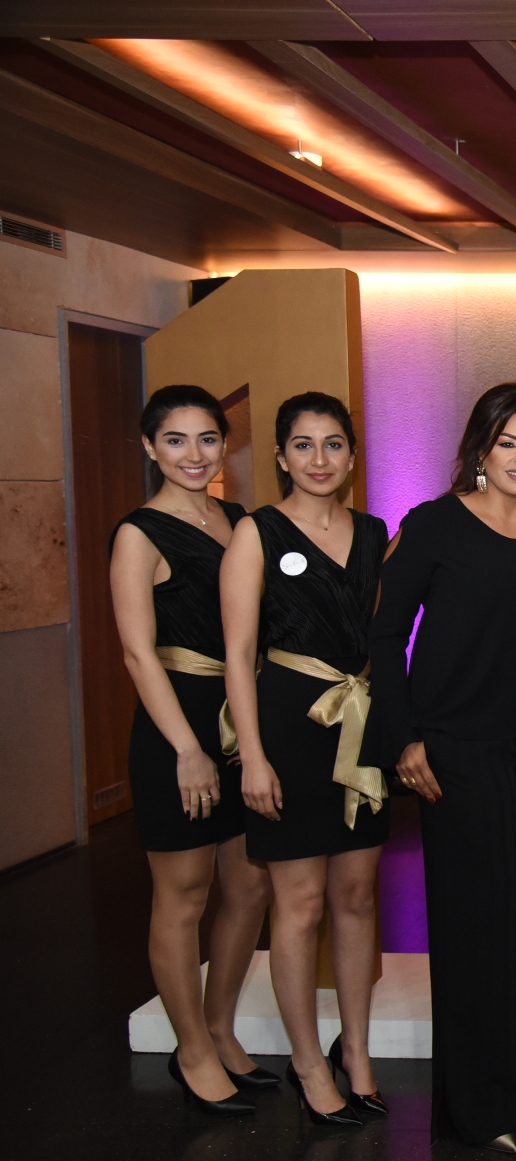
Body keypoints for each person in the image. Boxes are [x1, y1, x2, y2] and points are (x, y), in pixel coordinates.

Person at [362, 383, 516, 1154]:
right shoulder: (432, 524)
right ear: (480, 447)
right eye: (509, 441)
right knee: (475, 928)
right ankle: (479, 1105)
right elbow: (384, 637)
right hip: (459, 750)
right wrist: (404, 739)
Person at [220, 392, 389, 1128]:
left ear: (351, 455)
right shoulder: (255, 532)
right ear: (281, 456)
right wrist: (252, 755)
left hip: (359, 721)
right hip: (288, 725)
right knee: (300, 903)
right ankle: (308, 1062)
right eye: (303, 445)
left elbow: (382, 637)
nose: (319, 459)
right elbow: (237, 655)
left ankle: (356, 1050)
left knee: (356, 897)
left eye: (333, 444)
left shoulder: (376, 532)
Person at [111, 385, 272, 1117]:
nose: (194, 454)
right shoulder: (138, 534)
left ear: (224, 446)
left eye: (207, 438)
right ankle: (193, 1051)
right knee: (183, 895)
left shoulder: (238, 521)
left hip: (241, 722)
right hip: (176, 726)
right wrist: (187, 748)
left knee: (249, 887)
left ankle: (220, 1028)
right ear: (150, 447)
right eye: (175, 440)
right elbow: (137, 654)